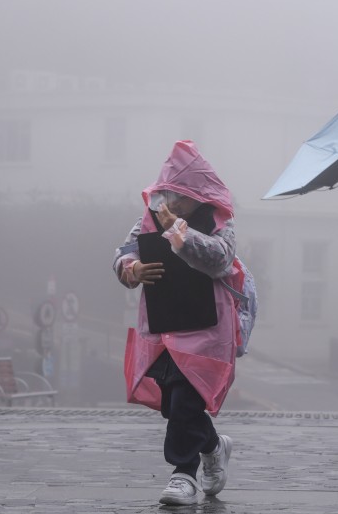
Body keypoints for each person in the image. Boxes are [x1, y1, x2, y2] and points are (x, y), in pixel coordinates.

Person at [112, 141, 243, 506]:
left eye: (181, 196)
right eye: (168, 194)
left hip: (205, 329)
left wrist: (180, 236)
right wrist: (131, 269)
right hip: (164, 325)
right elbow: (124, 253)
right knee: (174, 403)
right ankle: (214, 446)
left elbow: (220, 260)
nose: (172, 203)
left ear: (199, 195)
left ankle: (182, 474)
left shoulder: (219, 223)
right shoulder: (147, 221)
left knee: (187, 400)